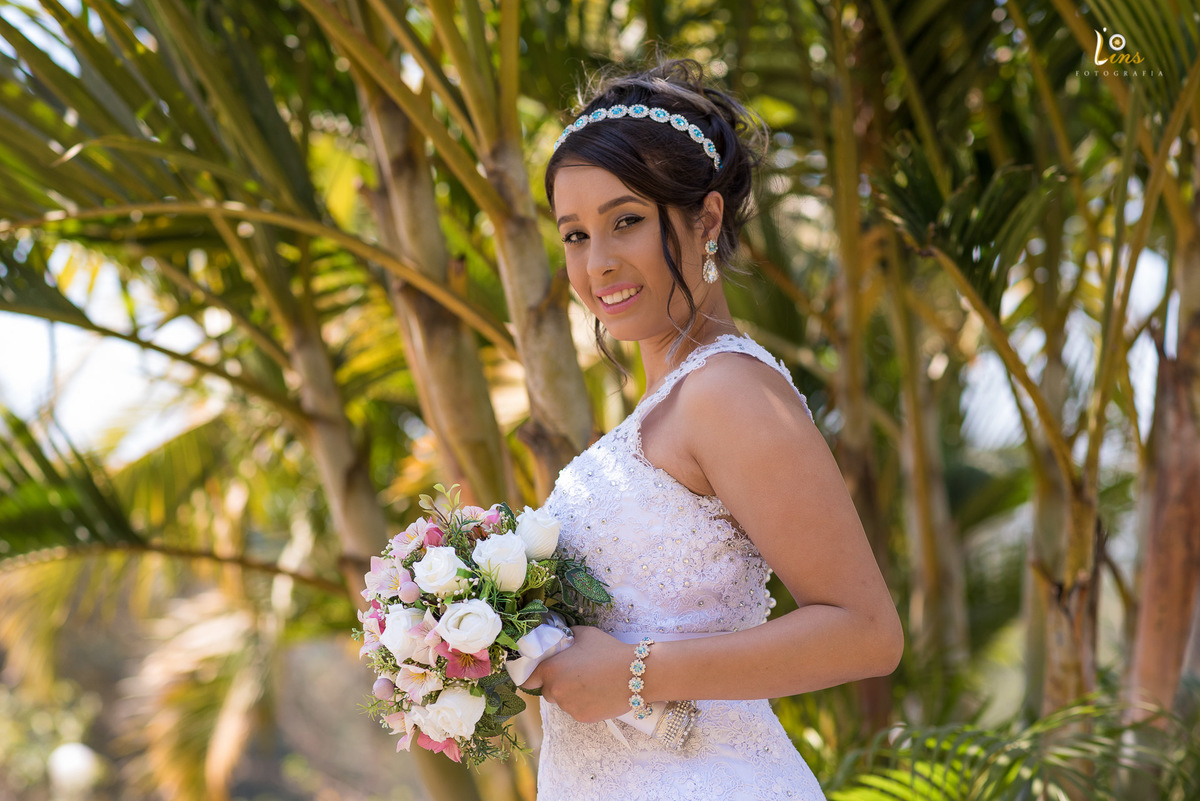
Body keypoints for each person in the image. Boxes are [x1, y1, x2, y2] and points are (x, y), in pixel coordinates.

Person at [522, 58, 903, 801]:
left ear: (708, 218)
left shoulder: (727, 390)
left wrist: (633, 675)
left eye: (625, 220)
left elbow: (866, 630)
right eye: (573, 235)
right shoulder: (662, 406)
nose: (598, 263)